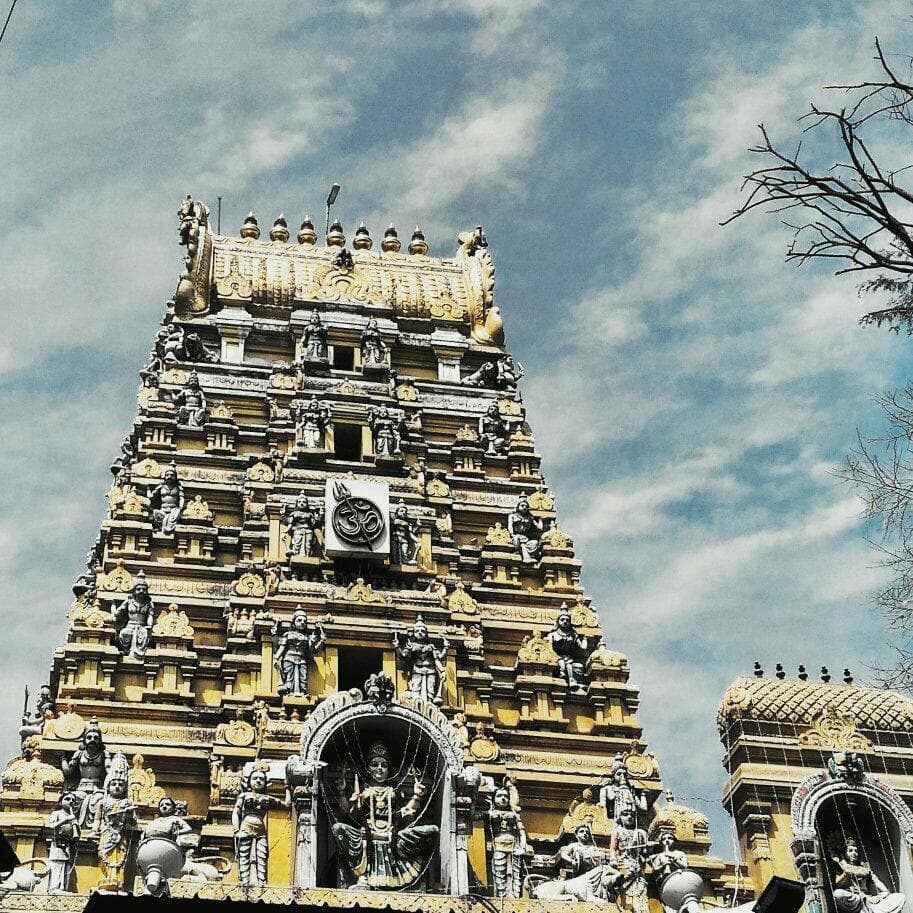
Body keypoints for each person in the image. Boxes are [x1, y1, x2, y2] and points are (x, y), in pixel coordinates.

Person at [332, 741, 438, 889]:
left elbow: (405, 814)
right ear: (368, 769)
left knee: (432, 830)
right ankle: (362, 876)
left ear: (389, 770)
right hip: (365, 835)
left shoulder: (394, 792)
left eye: (384, 765)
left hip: (392, 836)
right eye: (374, 764)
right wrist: (342, 793)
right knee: (338, 829)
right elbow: (348, 815)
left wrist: (416, 796)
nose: (379, 769)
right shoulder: (362, 791)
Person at [232, 767, 288, 886]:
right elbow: (236, 813)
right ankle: (244, 881)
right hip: (245, 826)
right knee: (244, 854)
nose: (258, 781)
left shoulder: (268, 799)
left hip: (261, 829)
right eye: (255, 778)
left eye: (261, 779)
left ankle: (262, 882)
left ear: (266, 783)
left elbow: (286, 805)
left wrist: (287, 788)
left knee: (262, 855)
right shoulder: (244, 796)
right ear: (249, 781)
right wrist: (236, 830)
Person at [832, 838, 905, 913]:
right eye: (850, 851)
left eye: (856, 851)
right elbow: (837, 884)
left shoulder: (864, 867)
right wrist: (846, 873)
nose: (854, 853)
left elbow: (877, 881)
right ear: (843, 854)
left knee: (900, 897)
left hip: (869, 901)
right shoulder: (840, 866)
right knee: (838, 894)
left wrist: (886, 892)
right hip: (855, 901)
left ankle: (870, 908)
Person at [61, 717, 110, 825]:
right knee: (74, 800)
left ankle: (94, 828)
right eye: (89, 737)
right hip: (81, 786)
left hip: (97, 787)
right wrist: (63, 757)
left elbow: (109, 772)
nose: (92, 739)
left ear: (99, 740)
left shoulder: (103, 754)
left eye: (95, 737)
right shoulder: (79, 753)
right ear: (85, 740)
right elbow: (68, 771)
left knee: (98, 801)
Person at [394, 616, 448, 705]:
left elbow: (438, 659)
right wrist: (397, 647)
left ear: (426, 633)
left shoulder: (430, 647)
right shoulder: (411, 646)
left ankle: (429, 708)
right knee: (416, 690)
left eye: (422, 631)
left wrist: (442, 671)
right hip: (417, 670)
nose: (420, 633)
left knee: (430, 692)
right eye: (417, 631)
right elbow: (403, 656)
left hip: (430, 671)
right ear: (414, 633)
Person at [487, 785, 528, 898]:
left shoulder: (514, 815)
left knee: (516, 876)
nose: (503, 799)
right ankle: (502, 899)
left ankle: (514, 899)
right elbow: (474, 818)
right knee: (499, 876)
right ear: (493, 799)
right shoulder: (489, 814)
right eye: (499, 796)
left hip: (514, 848)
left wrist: (523, 847)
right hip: (498, 847)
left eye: (505, 796)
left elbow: (522, 832)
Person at [274, 609, 326, 696]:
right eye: (299, 620)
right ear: (293, 622)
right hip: (289, 658)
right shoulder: (287, 634)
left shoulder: (306, 637)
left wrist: (320, 641)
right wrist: (276, 658)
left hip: (302, 660)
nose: (302, 622)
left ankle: (301, 693)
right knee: (289, 679)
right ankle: (289, 693)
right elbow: (282, 647)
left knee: (303, 679)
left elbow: (312, 651)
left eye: (304, 621)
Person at [47, 793, 80, 893]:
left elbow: (77, 834)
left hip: (68, 845)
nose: (71, 802)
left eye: (73, 801)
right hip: (58, 843)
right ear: (60, 802)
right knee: (57, 864)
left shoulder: (73, 817)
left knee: (67, 867)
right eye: (67, 799)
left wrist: (75, 824)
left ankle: (63, 888)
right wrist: (66, 819)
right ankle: (55, 888)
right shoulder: (56, 813)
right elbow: (51, 827)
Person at [507, 495, 544, 563]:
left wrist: (540, 519)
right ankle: (525, 556)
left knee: (535, 543)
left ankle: (527, 556)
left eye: (526, 506)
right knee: (516, 541)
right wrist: (512, 534)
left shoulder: (530, 518)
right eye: (522, 505)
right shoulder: (512, 516)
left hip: (526, 539)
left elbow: (539, 528)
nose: (524, 507)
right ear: (518, 507)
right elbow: (510, 526)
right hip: (516, 537)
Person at [150, 464, 185, 534]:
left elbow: (181, 498)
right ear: (165, 477)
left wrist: (181, 507)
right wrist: (148, 489)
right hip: (163, 509)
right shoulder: (161, 487)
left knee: (177, 514)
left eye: (172, 475)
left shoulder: (178, 488)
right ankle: (160, 528)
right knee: (155, 513)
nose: (169, 477)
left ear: (175, 477)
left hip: (173, 510)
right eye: (167, 475)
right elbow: (152, 497)